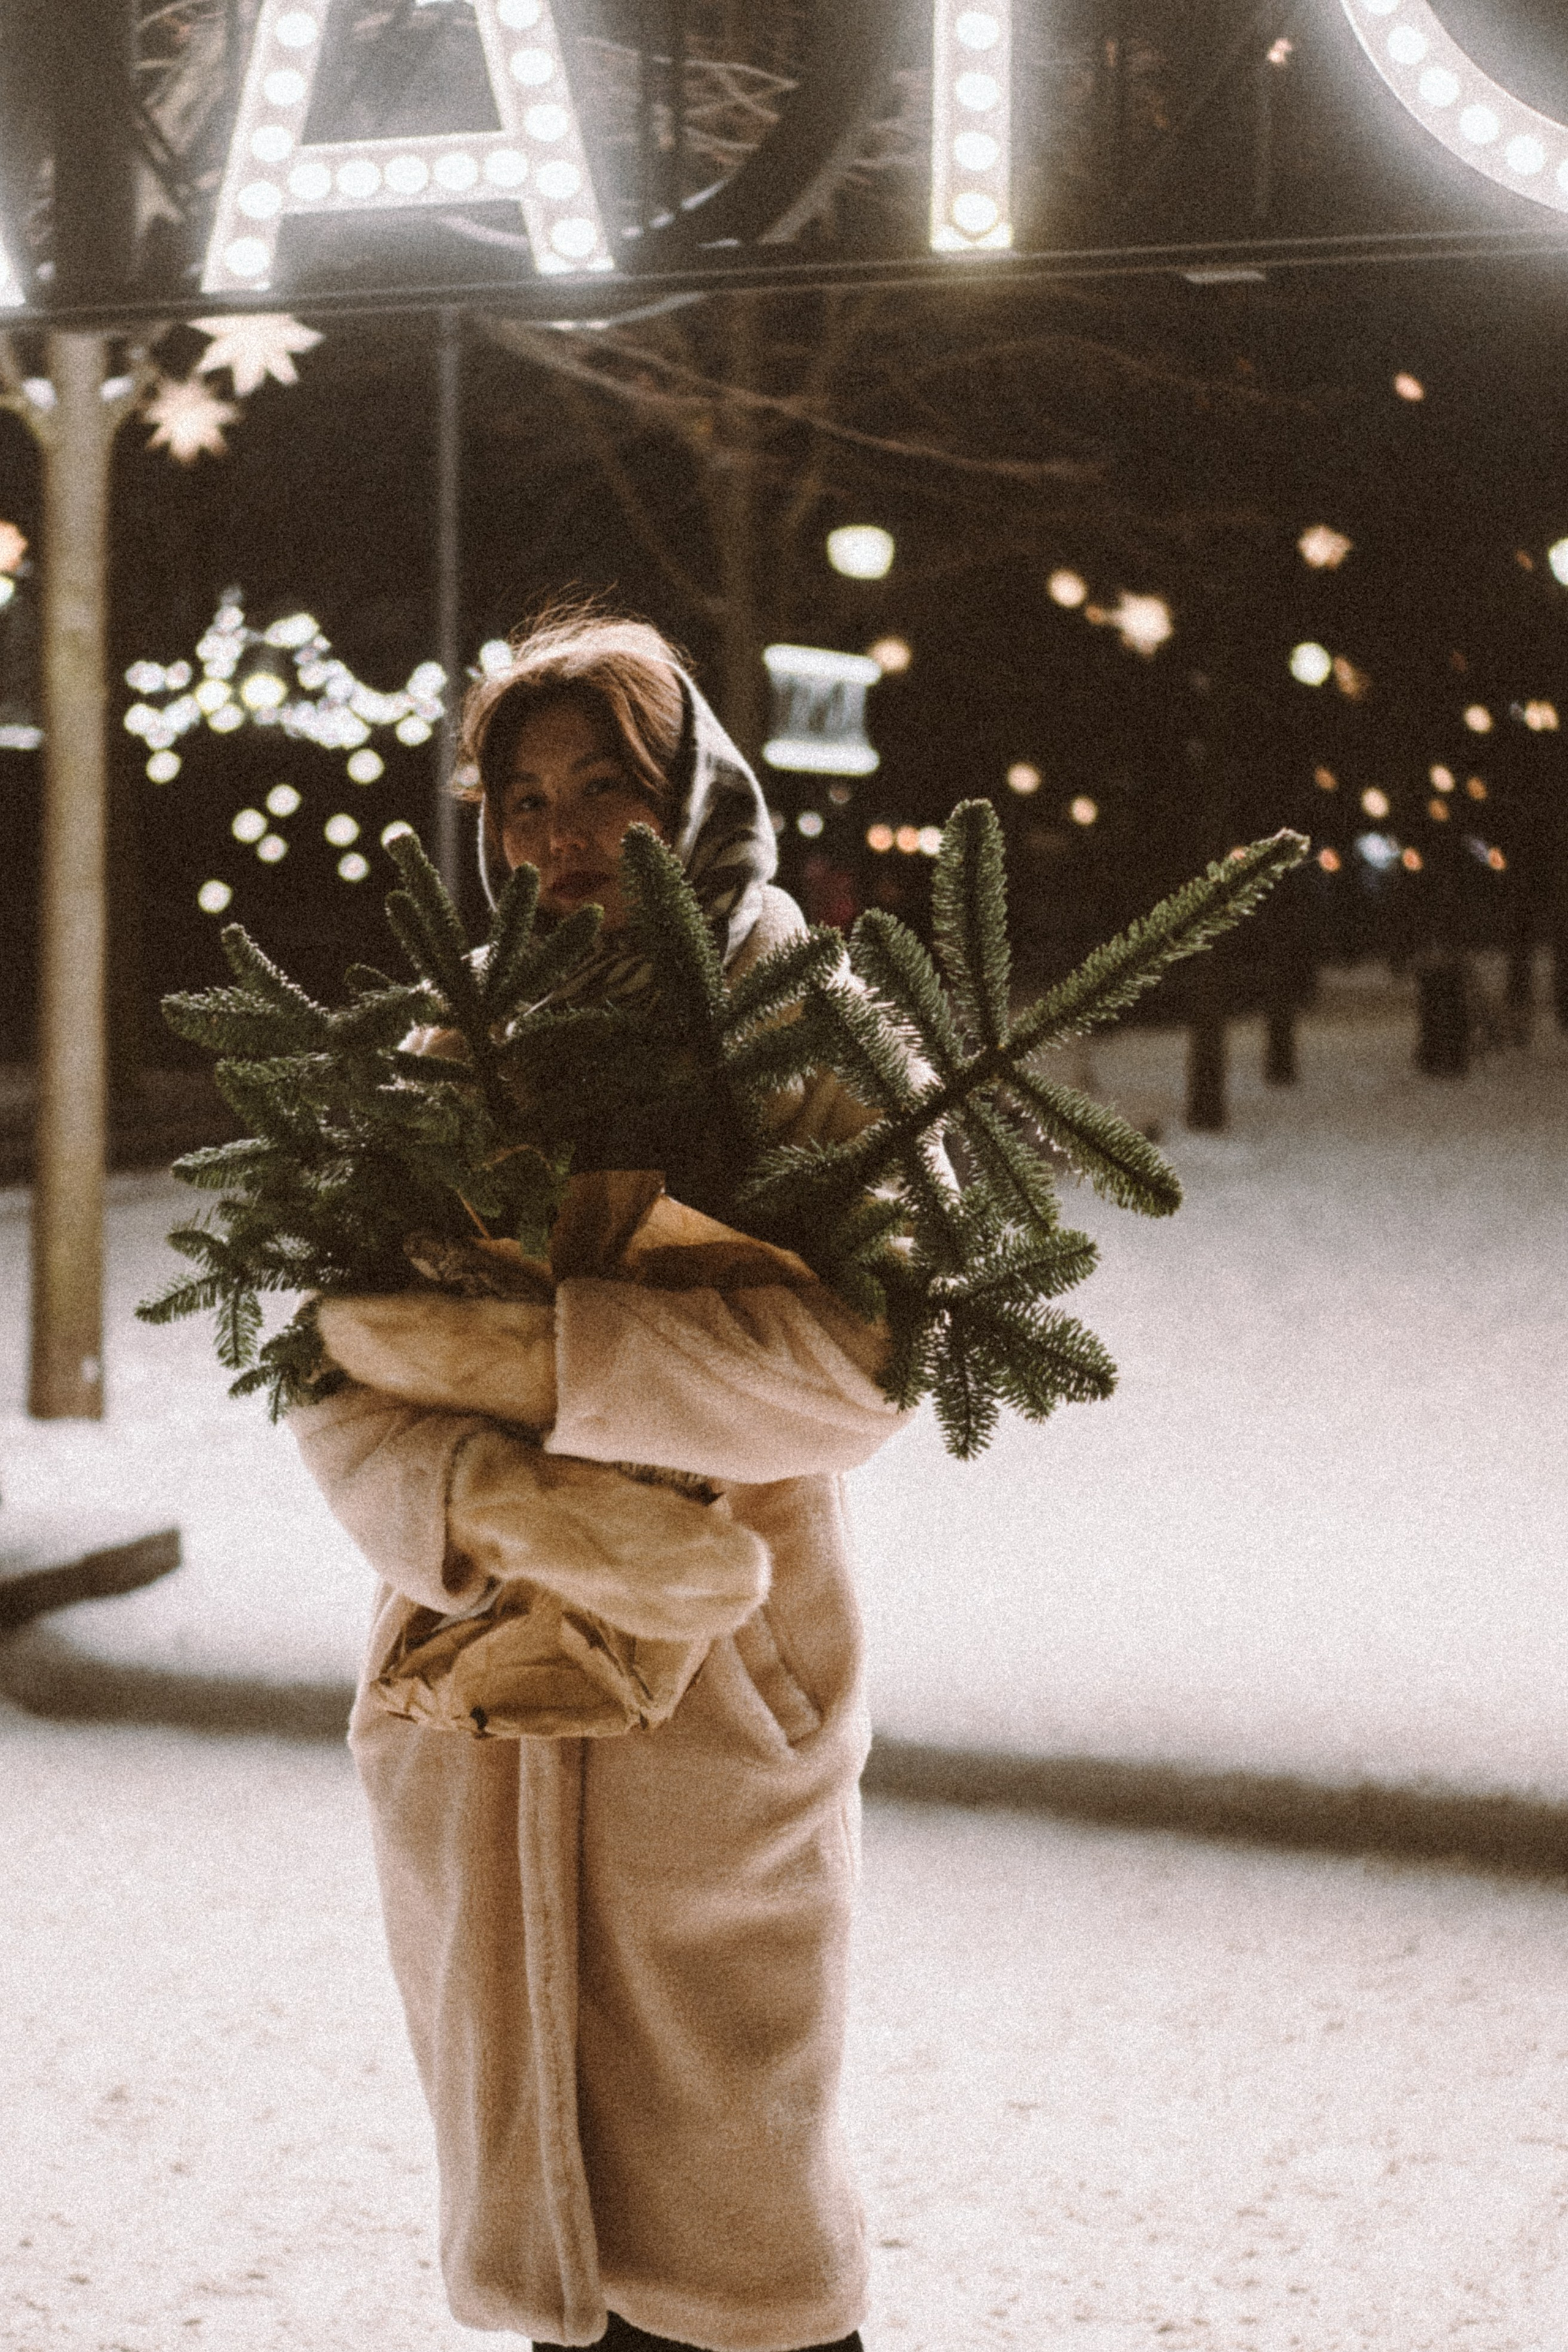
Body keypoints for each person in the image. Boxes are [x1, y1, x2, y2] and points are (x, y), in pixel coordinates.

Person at [290, 605, 909, 2352]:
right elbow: (327, 1365)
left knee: (744, 2232)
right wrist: (485, 1510)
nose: (559, 840)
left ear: (691, 793)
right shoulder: (451, 1044)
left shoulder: (806, 1025)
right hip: (468, 1679)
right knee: (537, 2229)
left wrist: (560, 1362)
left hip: (721, 1698)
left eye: (603, 791)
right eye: (521, 801)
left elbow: (871, 1359)